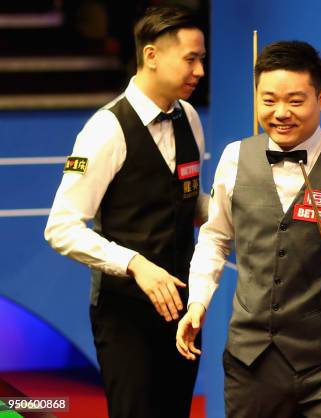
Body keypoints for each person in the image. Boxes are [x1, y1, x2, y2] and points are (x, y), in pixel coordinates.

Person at [176, 40, 321, 417]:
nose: (281, 113)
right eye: (268, 101)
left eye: (296, 101)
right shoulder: (234, 158)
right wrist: (198, 302)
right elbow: (216, 238)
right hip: (249, 364)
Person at [44, 6, 208, 418]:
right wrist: (134, 264)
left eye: (201, 58)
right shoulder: (105, 129)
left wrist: (232, 210)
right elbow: (61, 227)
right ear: (151, 56)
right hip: (125, 315)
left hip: (183, 310)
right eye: (191, 58)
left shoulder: (188, 116)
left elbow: (188, 199)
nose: (200, 70)